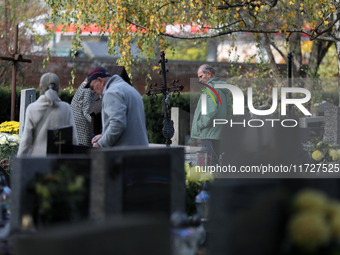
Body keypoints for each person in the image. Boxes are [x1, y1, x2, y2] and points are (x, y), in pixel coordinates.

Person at [84, 67, 148, 148]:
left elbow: (117, 124)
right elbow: (129, 124)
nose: (92, 91)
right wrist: (104, 135)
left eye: (91, 87)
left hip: (124, 155)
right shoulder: (130, 89)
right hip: (140, 151)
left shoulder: (111, 93)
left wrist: (100, 144)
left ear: (100, 81)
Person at [17, 73, 78, 156]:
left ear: (40, 87)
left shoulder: (32, 109)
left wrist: (20, 161)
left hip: (37, 160)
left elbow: (26, 140)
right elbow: (73, 138)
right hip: (59, 161)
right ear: (58, 88)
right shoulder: (66, 108)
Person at [191, 64, 232, 165]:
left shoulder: (210, 88)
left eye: (201, 76)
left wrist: (200, 124)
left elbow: (210, 112)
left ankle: (207, 181)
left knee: (206, 163)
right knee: (216, 162)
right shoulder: (223, 88)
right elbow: (229, 110)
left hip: (208, 131)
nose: (200, 80)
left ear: (208, 74)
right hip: (219, 131)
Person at [71, 78, 94, 146]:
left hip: (79, 126)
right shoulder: (87, 90)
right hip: (83, 127)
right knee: (84, 151)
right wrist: (97, 123)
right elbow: (86, 112)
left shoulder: (85, 85)